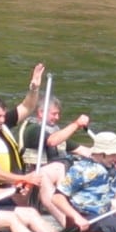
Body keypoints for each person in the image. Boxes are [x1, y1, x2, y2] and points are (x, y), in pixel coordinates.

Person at [17, 95, 92, 225]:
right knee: (57, 167)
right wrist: (76, 124)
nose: (57, 118)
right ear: (41, 113)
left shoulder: (55, 131)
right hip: (34, 184)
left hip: (61, 179)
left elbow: (82, 150)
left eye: (58, 114)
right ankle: (67, 220)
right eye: (54, 114)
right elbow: (52, 141)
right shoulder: (33, 130)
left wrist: (106, 155)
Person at [0, 63, 45, 201]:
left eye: (3, 116)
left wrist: (34, 89)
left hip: (18, 184)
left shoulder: (3, 123)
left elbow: (27, 106)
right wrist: (24, 178)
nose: (2, 120)